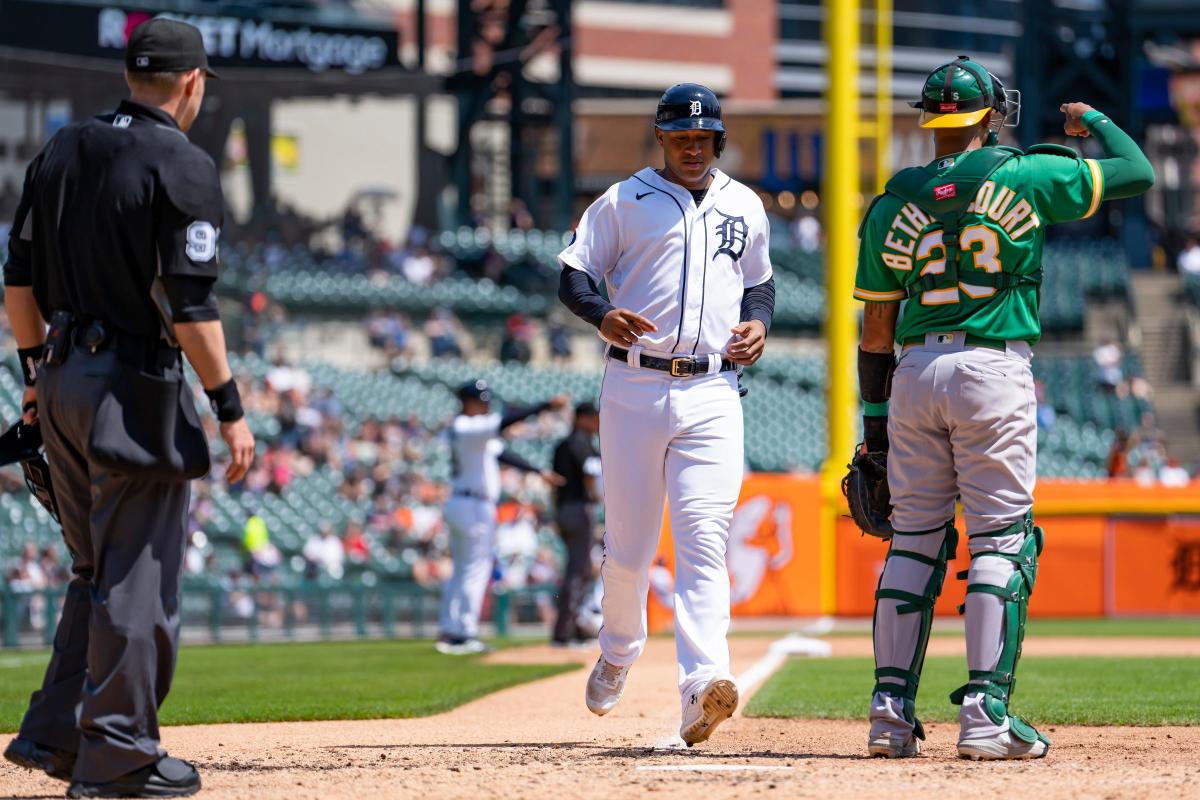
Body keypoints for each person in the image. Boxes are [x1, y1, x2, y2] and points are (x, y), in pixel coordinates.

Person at [853, 55, 1153, 760]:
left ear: (931, 120)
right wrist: (1096, 121)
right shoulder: (1027, 172)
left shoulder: (895, 199)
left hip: (915, 370)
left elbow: (874, 331)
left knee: (915, 540)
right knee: (1000, 542)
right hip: (993, 365)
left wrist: (874, 435)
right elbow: (1136, 171)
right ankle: (986, 715)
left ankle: (889, 713)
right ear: (989, 114)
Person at [2, 19, 255, 797]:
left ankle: (55, 736)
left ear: (130, 73)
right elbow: (189, 305)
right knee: (139, 579)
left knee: (94, 569)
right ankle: (119, 757)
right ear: (192, 83)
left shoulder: (64, 147)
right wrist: (229, 406)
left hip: (62, 373)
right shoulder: (181, 161)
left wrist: (36, 375)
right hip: (130, 387)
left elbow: (18, 279)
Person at [557, 83, 774, 746]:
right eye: (681, 137)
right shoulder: (624, 200)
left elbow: (760, 282)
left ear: (718, 141)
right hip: (635, 387)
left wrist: (759, 324)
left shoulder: (746, 204)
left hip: (714, 390)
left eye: (703, 138)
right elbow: (573, 274)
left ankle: (700, 686)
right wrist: (602, 315)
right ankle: (619, 649)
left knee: (705, 542)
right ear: (662, 137)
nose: (692, 147)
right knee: (628, 551)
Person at [436, 381, 566, 654]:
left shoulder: (469, 431)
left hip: (464, 502)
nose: (485, 405)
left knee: (462, 569)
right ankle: (463, 633)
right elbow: (506, 421)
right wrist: (545, 404)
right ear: (467, 402)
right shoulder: (467, 426)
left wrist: (537, 470)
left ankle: (451, 629)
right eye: (480, 401)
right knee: (475, 568)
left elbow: (502, 453)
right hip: (472, 504)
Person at [550, 402, 603, 646]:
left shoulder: (563, 445)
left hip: (564, 509)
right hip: (579, 509)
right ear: (581, 418)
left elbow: (554, 484)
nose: (597, 423)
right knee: (578, 570)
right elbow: (591, 479)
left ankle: (571, 627)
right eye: (594, 418)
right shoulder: (580, 444)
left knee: (578, 569)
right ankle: (565, 632)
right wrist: (598, 498)